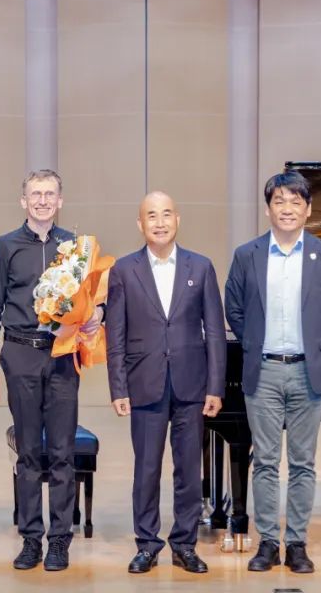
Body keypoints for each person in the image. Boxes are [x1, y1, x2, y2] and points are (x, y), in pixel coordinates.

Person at [224, 171, 321, 574]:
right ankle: (267, 543)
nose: (288, 208)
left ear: (308, 210)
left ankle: (296, 543)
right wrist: (252, 342)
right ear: (268, 209)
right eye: (280, 201)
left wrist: (317, 344)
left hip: (306, 372)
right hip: (262, 371)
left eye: (296, 202)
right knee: (263, 461)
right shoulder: (247, 254)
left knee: (302, 462)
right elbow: (234, 307)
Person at [0, 170, 98, 572]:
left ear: (60, 200)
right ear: (23, 201)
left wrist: (95, 314)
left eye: (49, 194)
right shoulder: (6, 245)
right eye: (35, 194)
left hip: (62, 355)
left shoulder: (75, 248)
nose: (42, 200)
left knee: (62, 452)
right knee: (29, 452)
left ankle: (60, 540)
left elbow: (95, 299)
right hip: (20, 354)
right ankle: (30, 539)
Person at [105, 191, 226, 575]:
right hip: (144, 383)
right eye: (152, 216)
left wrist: (216, 386)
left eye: (166, 214)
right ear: (140, 224)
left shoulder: (201, 267)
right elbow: (115, 334)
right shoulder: (124, 270)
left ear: (178, 220)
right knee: (146, 470)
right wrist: (118, 387)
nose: (160, 222)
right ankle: (147, 544)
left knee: (189, 471)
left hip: (192, 385)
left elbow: (215, 332)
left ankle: (185, 545)